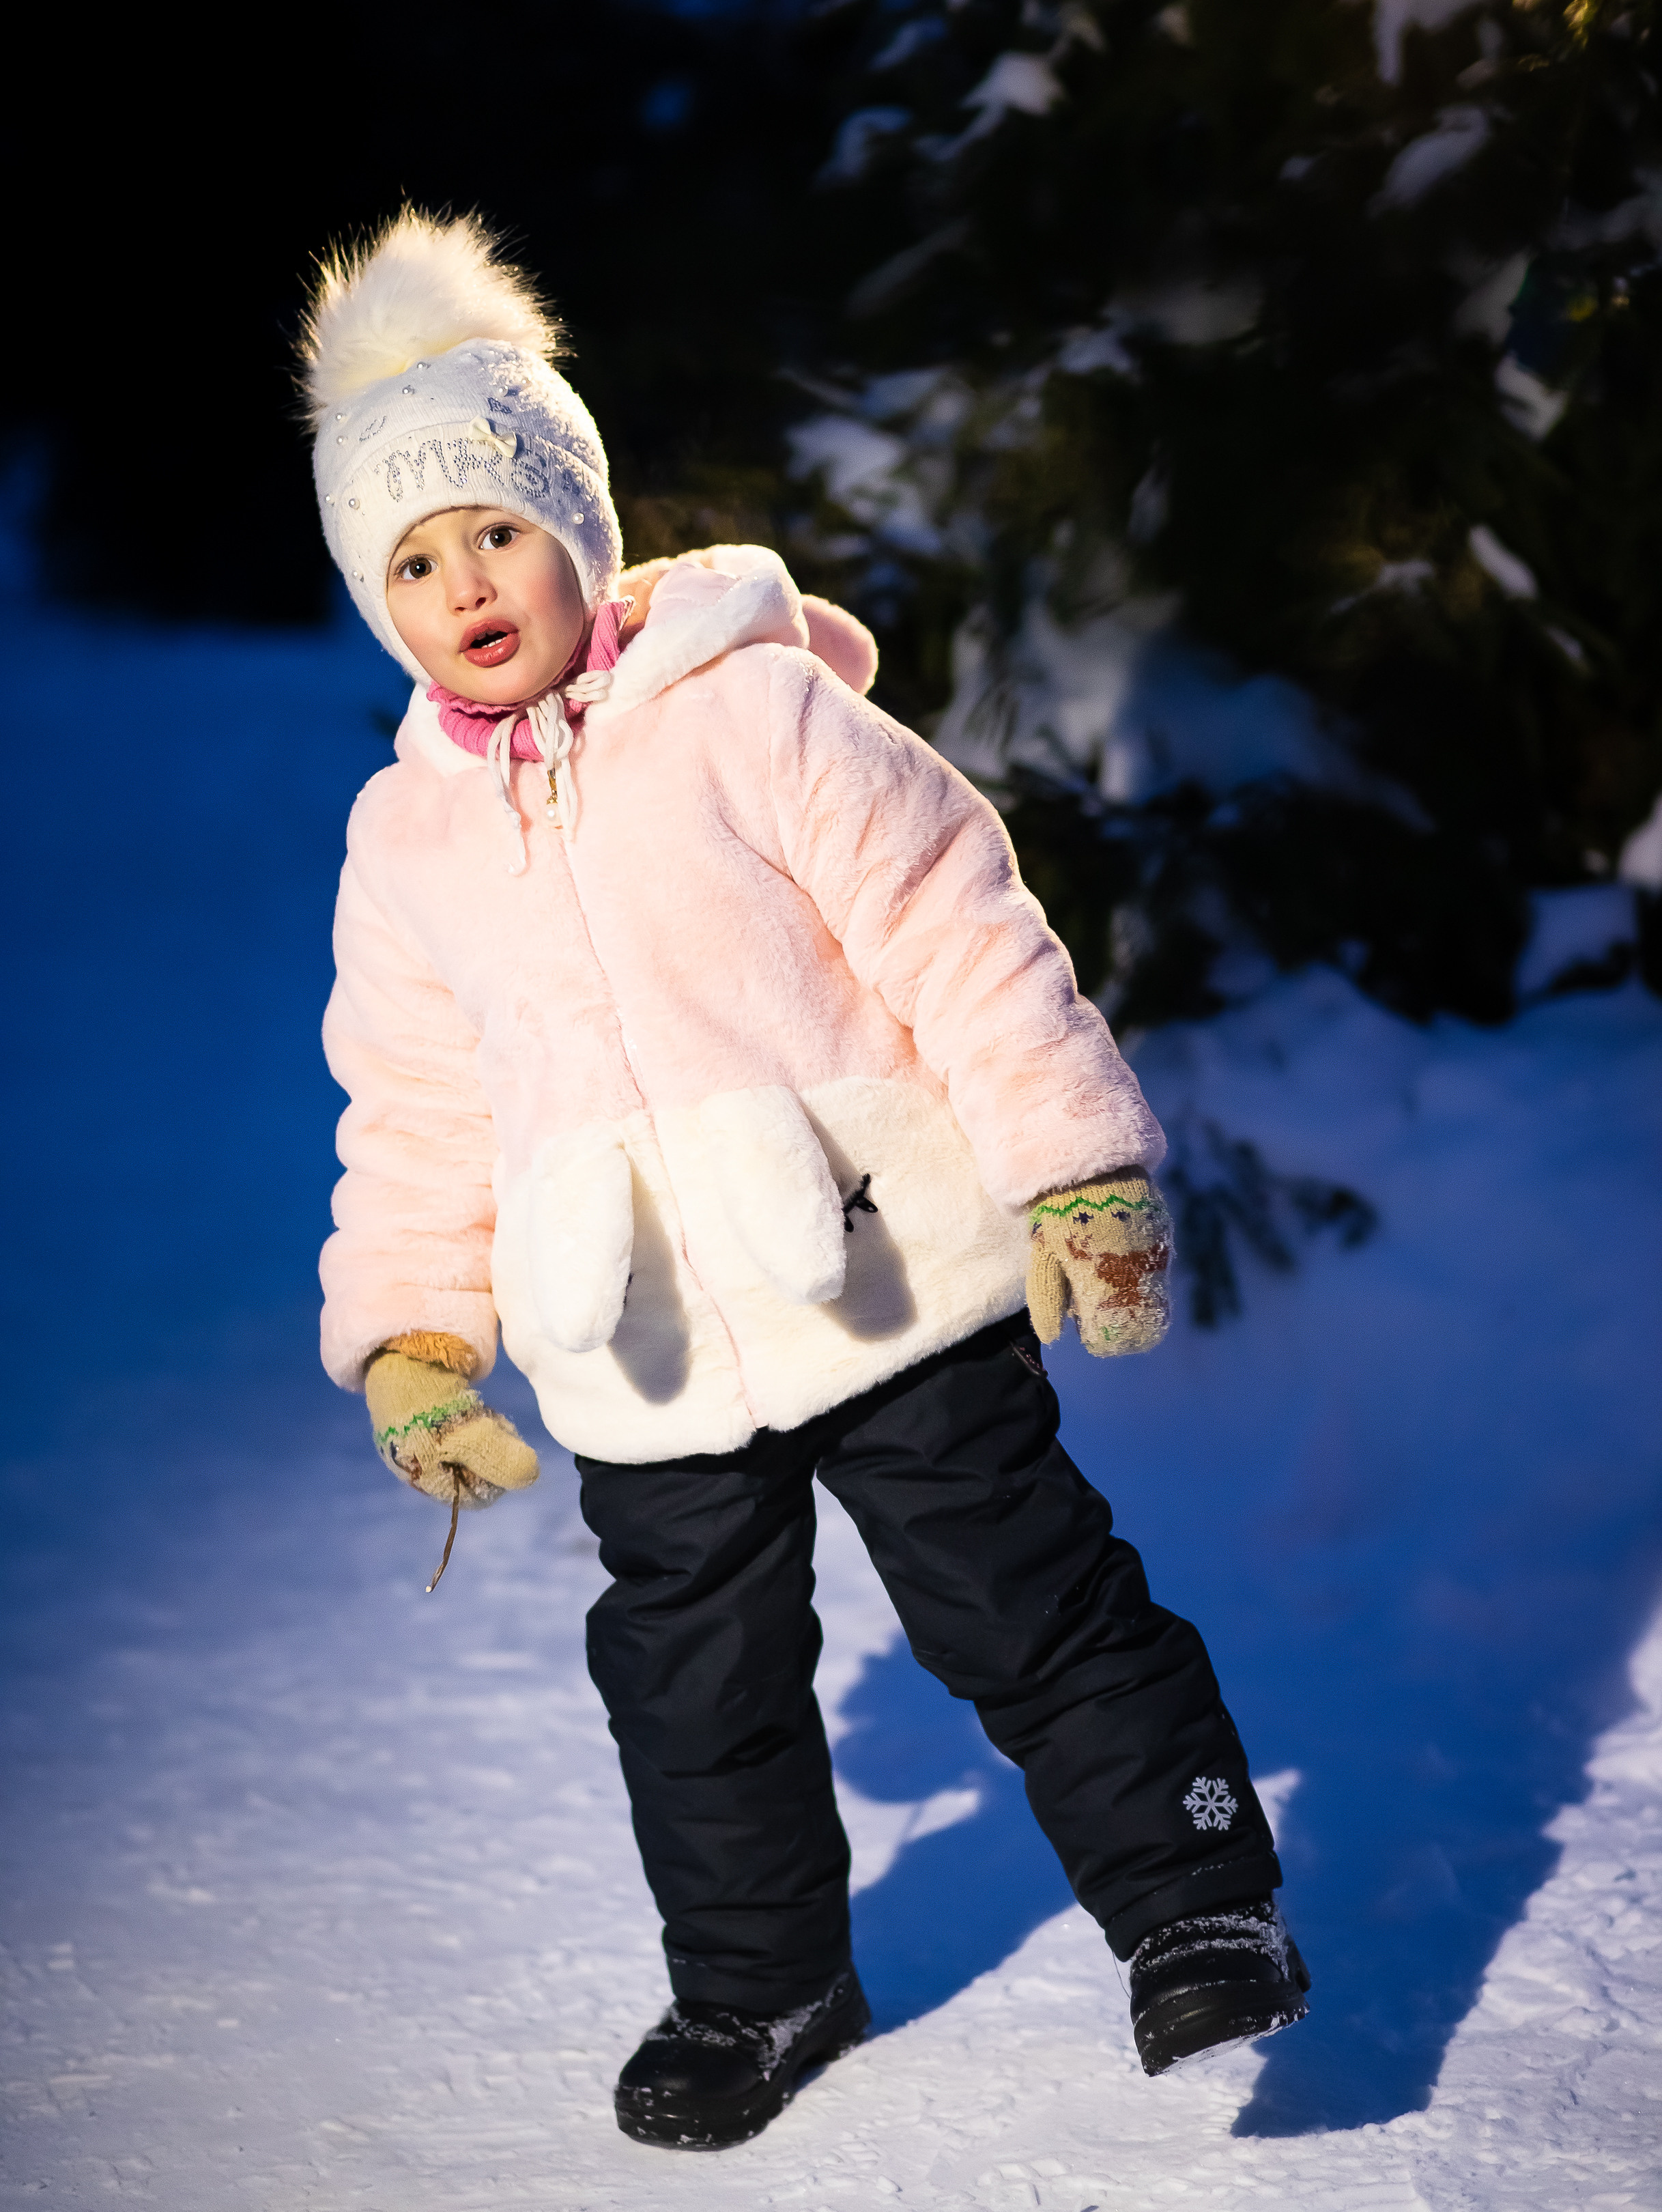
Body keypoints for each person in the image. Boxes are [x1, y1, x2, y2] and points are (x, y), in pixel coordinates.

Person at [301, 210, 1309, 2152]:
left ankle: (1195, 1901)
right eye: (411, 562)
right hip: (640, 1341)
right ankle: (760, 1987)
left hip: (885, 1272)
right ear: (378, 603)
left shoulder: (751, 715)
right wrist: (417, 1339)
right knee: (693, 1686)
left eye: (496, 529)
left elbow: (960, 930)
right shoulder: (401, 844)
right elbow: (413, 1110)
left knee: (1023, 1599)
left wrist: (1073, 1168)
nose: (465, 583)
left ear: (580, 526)